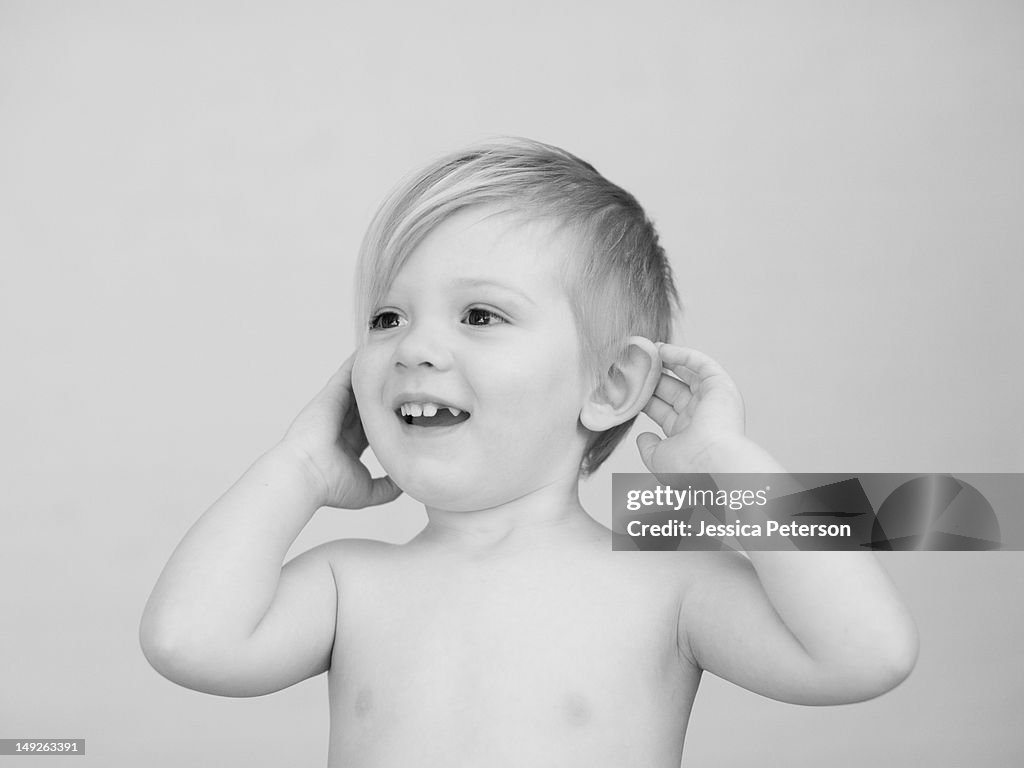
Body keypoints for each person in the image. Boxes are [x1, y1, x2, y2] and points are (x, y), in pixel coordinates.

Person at [140, 138, 917, 766]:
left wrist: (729, 463)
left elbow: (864, 654)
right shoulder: (353, 582)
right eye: (386, 318)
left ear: (612, 384)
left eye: (479, 314)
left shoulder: (665, 581)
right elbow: (188, 643)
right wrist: (299, 467)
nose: (416, 347)